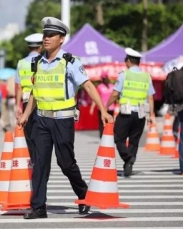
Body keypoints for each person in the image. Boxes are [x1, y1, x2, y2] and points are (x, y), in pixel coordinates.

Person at [17, 17, 113, 219]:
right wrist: (26, 114)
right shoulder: (37, 62)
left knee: (65, 163)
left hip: (63, 120)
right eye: (45, 34)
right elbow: (34, 91)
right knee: (40, 162)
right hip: (40, 120)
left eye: (51, 35)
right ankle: (38, 207)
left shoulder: (70, 61)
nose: (46, 38)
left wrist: (103, 111)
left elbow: (88, 85)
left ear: (61, 39)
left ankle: (83, 194)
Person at [105, 48, 156, 177]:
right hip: (141, 113)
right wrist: (151, 115)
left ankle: (127, 158)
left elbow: (115, 94)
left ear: (128, 61)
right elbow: (150, 97)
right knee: (134, 141)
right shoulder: (147, 77)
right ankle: (130, 162)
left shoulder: (124, 75)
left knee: (118, 138)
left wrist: (106, 106)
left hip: (126, 112)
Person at [15, 33, 43, 161]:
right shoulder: (44, 62)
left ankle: (32, 159)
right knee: (41, 132)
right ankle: (40, 159)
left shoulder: (21, 63)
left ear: (28, 48)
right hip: (42, 102)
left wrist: (17, 106)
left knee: (29, 132)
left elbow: (18, 87)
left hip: (27, 101)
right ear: (40, 47)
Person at [89, 71, 115, 138]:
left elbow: (95, 98)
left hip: (107, 108)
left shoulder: (110, 86)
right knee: (106, 122)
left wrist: (92, 107)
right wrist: (92, 107)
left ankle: (107, 136)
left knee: (106, 122)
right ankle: (106, 136)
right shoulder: (102, 87)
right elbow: (96, 97)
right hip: (105, 108)